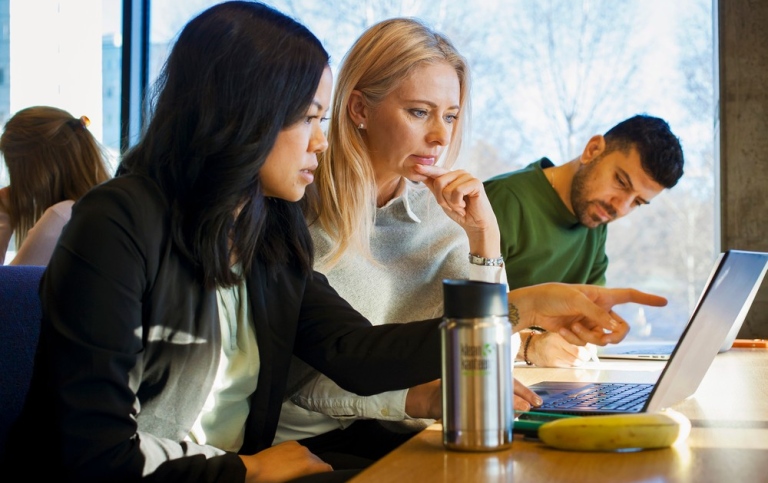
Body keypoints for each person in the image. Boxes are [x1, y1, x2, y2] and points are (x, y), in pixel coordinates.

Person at [3, 2, 666, 482]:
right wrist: (247, 469)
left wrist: (508, 304)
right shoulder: (116, 223)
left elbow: (355, 351)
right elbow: (94, 453)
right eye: (309, 118)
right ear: (246, 114)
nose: (322, 141)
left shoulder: (264, 229)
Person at [276, 16, 512, 462]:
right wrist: (415, 399)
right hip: (304, 446)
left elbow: (484, 349)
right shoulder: (295, 203)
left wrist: (485, 241)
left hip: (408, 434)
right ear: (359, 109)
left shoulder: (444, 215)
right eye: (420, 112)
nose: (441, 136)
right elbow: (303, 378)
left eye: (451, 115)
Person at [484, 114, 684, 367]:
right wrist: (529, 347)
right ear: (592, 150)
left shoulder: (595, 218)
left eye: (637, 202)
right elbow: (444, 322)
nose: (621, 208)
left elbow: (579, 322)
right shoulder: (502, 201)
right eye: (621, 182)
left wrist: (590, 332)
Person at [0, 106, 111, 265]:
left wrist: (3, 215)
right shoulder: (94, 209)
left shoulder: (60, 217)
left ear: (35, 168)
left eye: (15, 171)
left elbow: (9, 288)